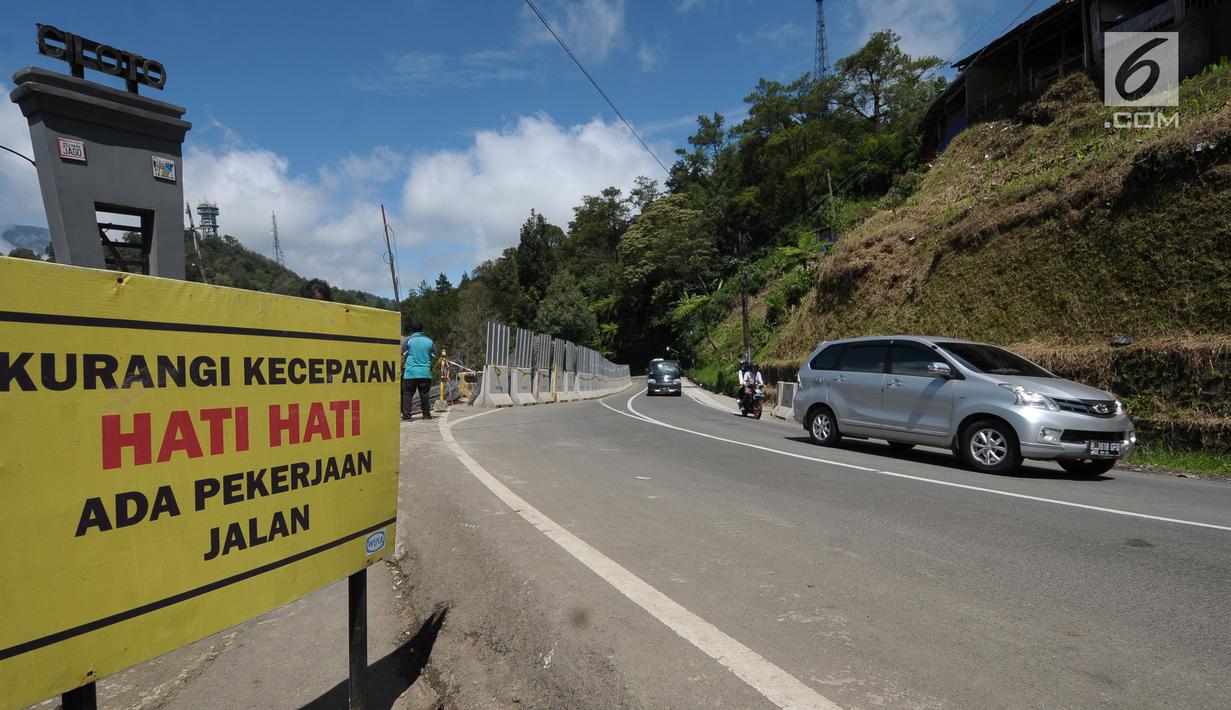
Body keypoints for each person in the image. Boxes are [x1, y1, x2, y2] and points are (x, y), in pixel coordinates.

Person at [402, 320, 437, 420]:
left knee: (408, 394)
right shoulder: (429, 341)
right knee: (424, 394)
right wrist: (427, 362)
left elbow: (403, 356)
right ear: (422, 329)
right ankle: (426, 415)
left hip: (410, 373)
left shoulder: (408, 340)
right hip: (425, 373)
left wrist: (400, 368)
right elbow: (434, 355)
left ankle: (407, 415)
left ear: (411, 329)